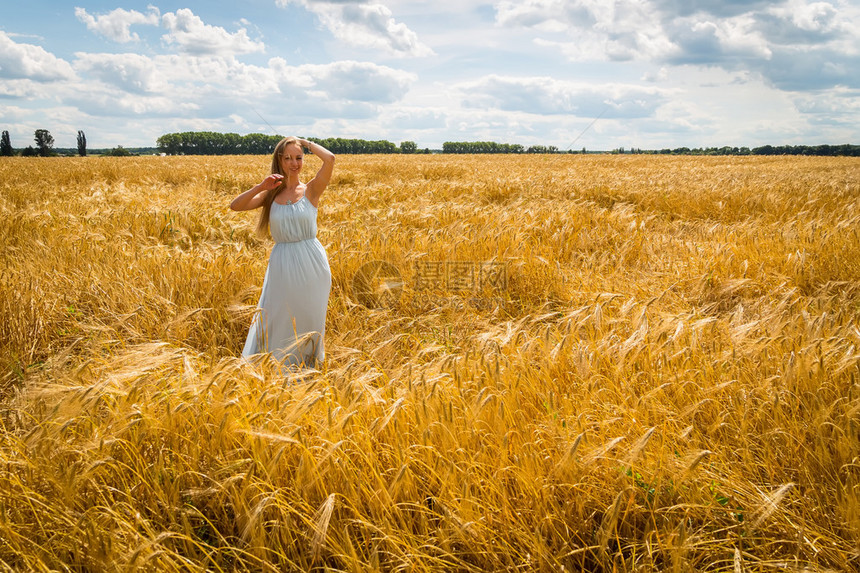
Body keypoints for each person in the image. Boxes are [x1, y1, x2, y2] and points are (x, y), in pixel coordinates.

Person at [230, 136, 335, 369]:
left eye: (298, 157)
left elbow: (330, 159)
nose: (293, 163)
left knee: (309, 320)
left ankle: (308, 369)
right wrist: (261, 186)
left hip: (313, 264)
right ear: (279, 160)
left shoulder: (311, 190)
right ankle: (278, 367)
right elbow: (235, 205)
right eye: (287, 158)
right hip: (282, 264)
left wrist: (305, 142)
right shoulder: (271, 194)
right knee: (278, 316)